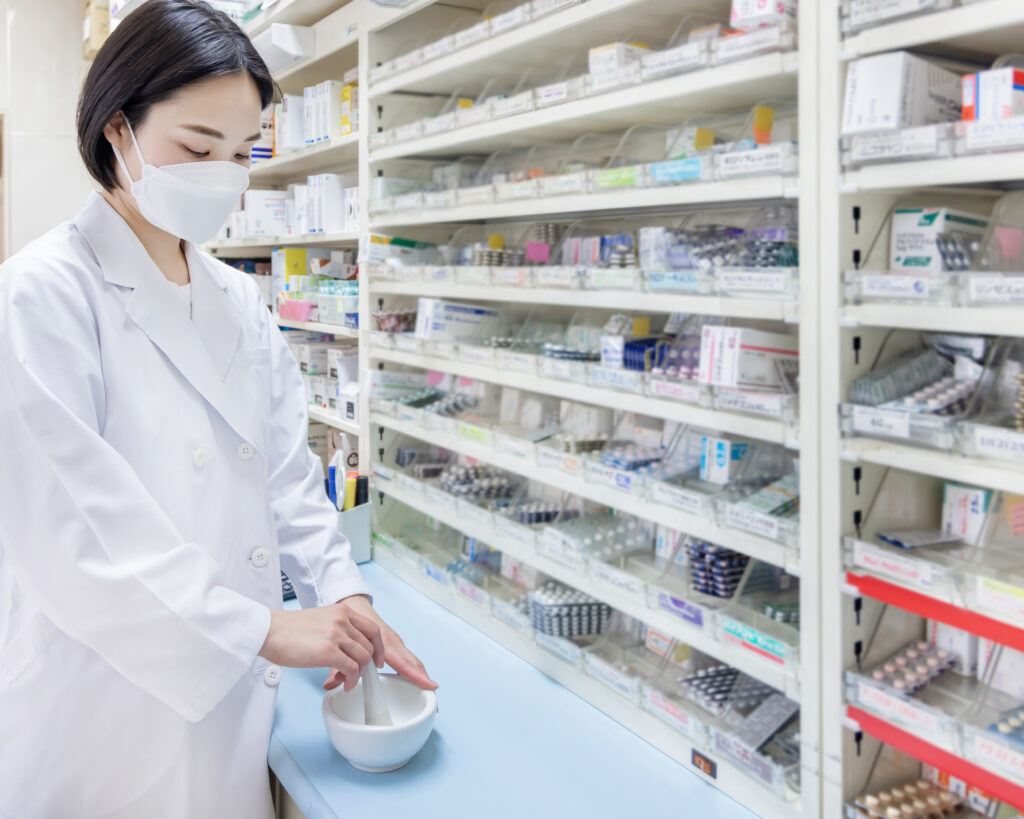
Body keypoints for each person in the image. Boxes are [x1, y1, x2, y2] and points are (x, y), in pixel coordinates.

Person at [0, 2, 436, 816]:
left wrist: (347, 600)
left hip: (232, 703)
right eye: (197, 148)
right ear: (117, 130)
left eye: (242, 153)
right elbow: (78, 542)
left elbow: (285, 478)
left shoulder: (239, 299)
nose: (222, 176)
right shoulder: (42, 295)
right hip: (99, 708)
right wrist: (268, 631)